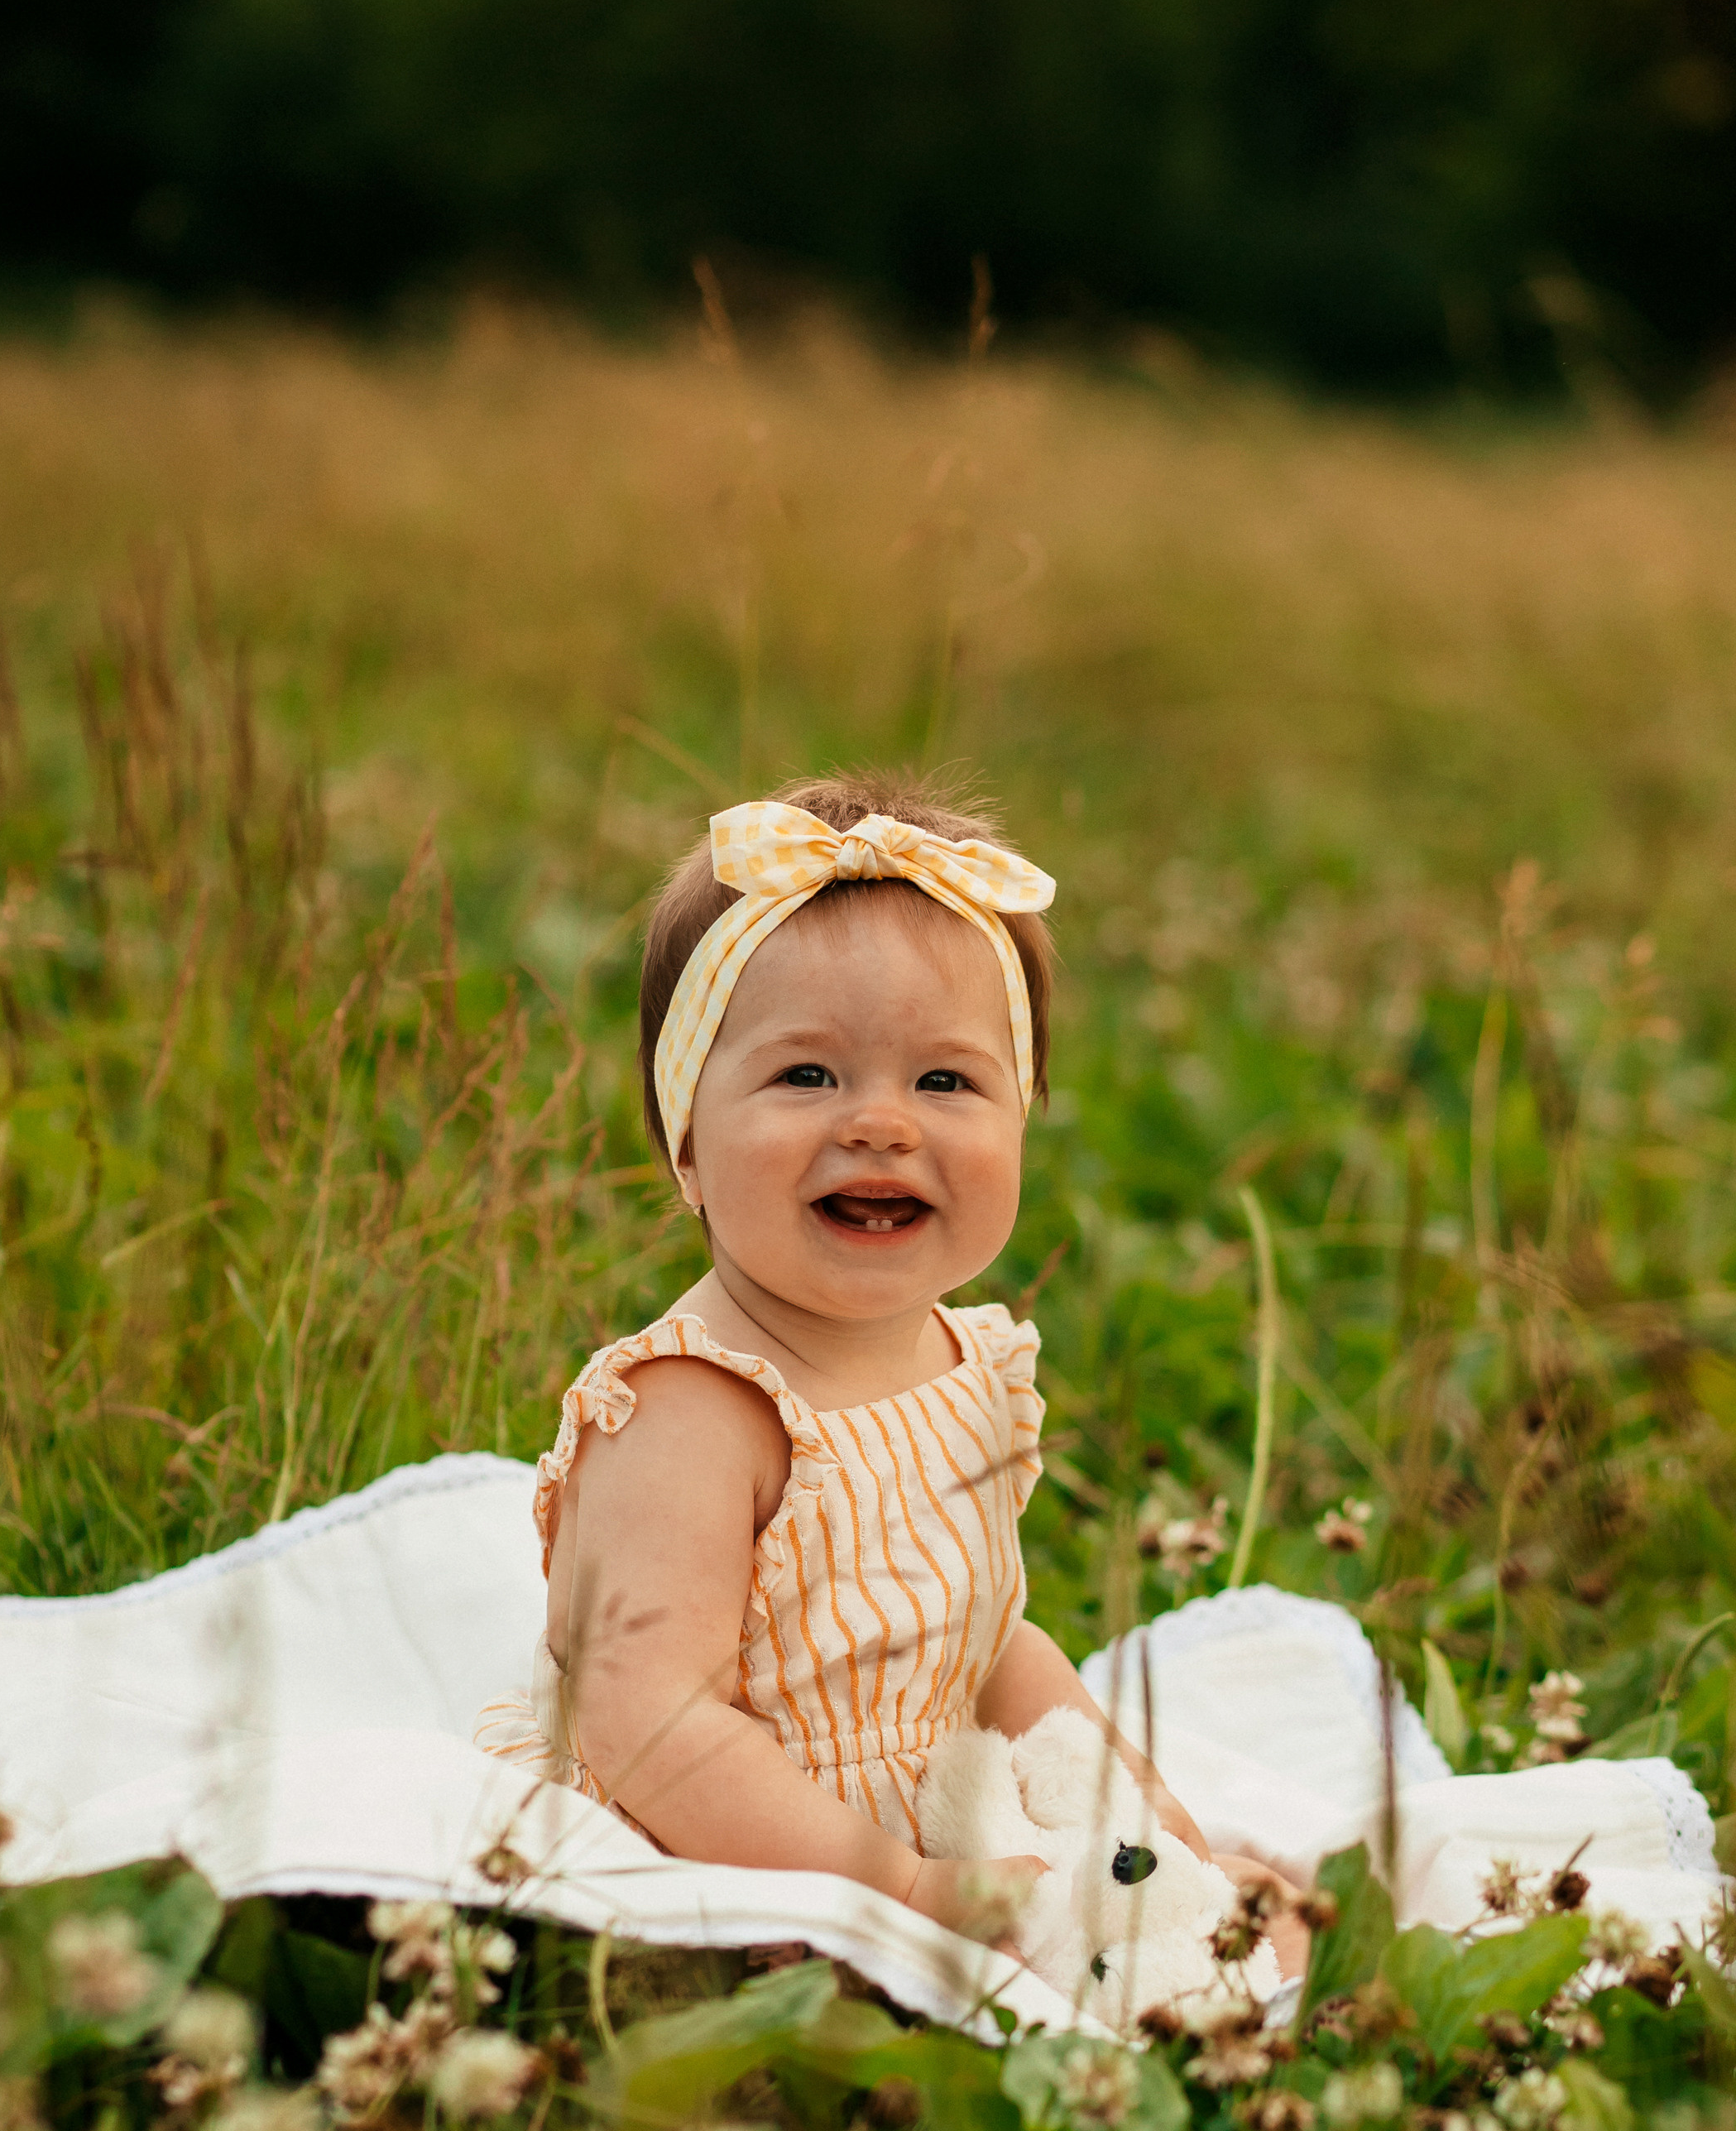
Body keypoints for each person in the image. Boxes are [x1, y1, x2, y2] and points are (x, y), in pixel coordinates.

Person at [476, 775, 1307, 1973]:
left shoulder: (967, 1368)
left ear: (1021, 1121)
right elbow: (649, 1724)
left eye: (946, 1081)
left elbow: (992, 1649)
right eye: (807, 1076)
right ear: (688, 1141)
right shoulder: (692, 1409)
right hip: (737, 1851)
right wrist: (901, 1889)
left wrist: (1155, 1838)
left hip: (932, 1814)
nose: (881, 1124)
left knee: (1191, 1937)